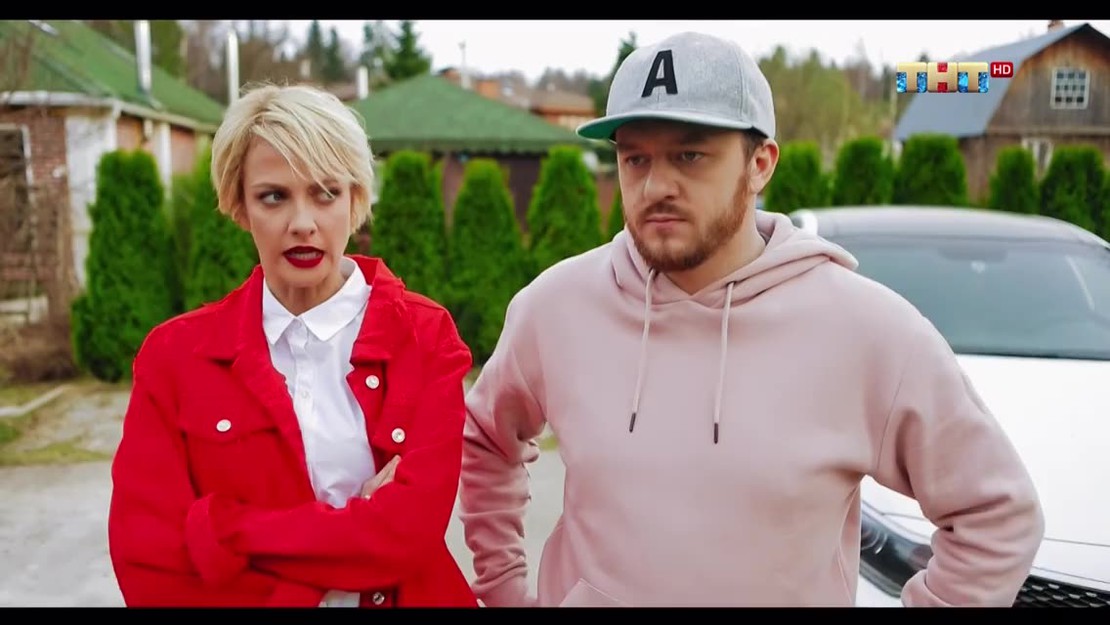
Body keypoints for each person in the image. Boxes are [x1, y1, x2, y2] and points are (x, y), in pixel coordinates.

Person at [457, 31, 1044, 607]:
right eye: (635, 158)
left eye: (689, 155)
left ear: (760, 163)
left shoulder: (869, 330)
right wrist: (503, 586)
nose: (656, 185)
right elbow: (484, 440)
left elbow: (997, 515)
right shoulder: (556, 306)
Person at [107, 83, 477, 608]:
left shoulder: (425, 337)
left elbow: (405, 536)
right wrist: (351, 534)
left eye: (325, 193)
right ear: (239, 206)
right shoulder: (174, 357)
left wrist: (225, 530)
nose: (302, 223)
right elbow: (149, 566)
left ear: (356, 200)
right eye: (273, 196)